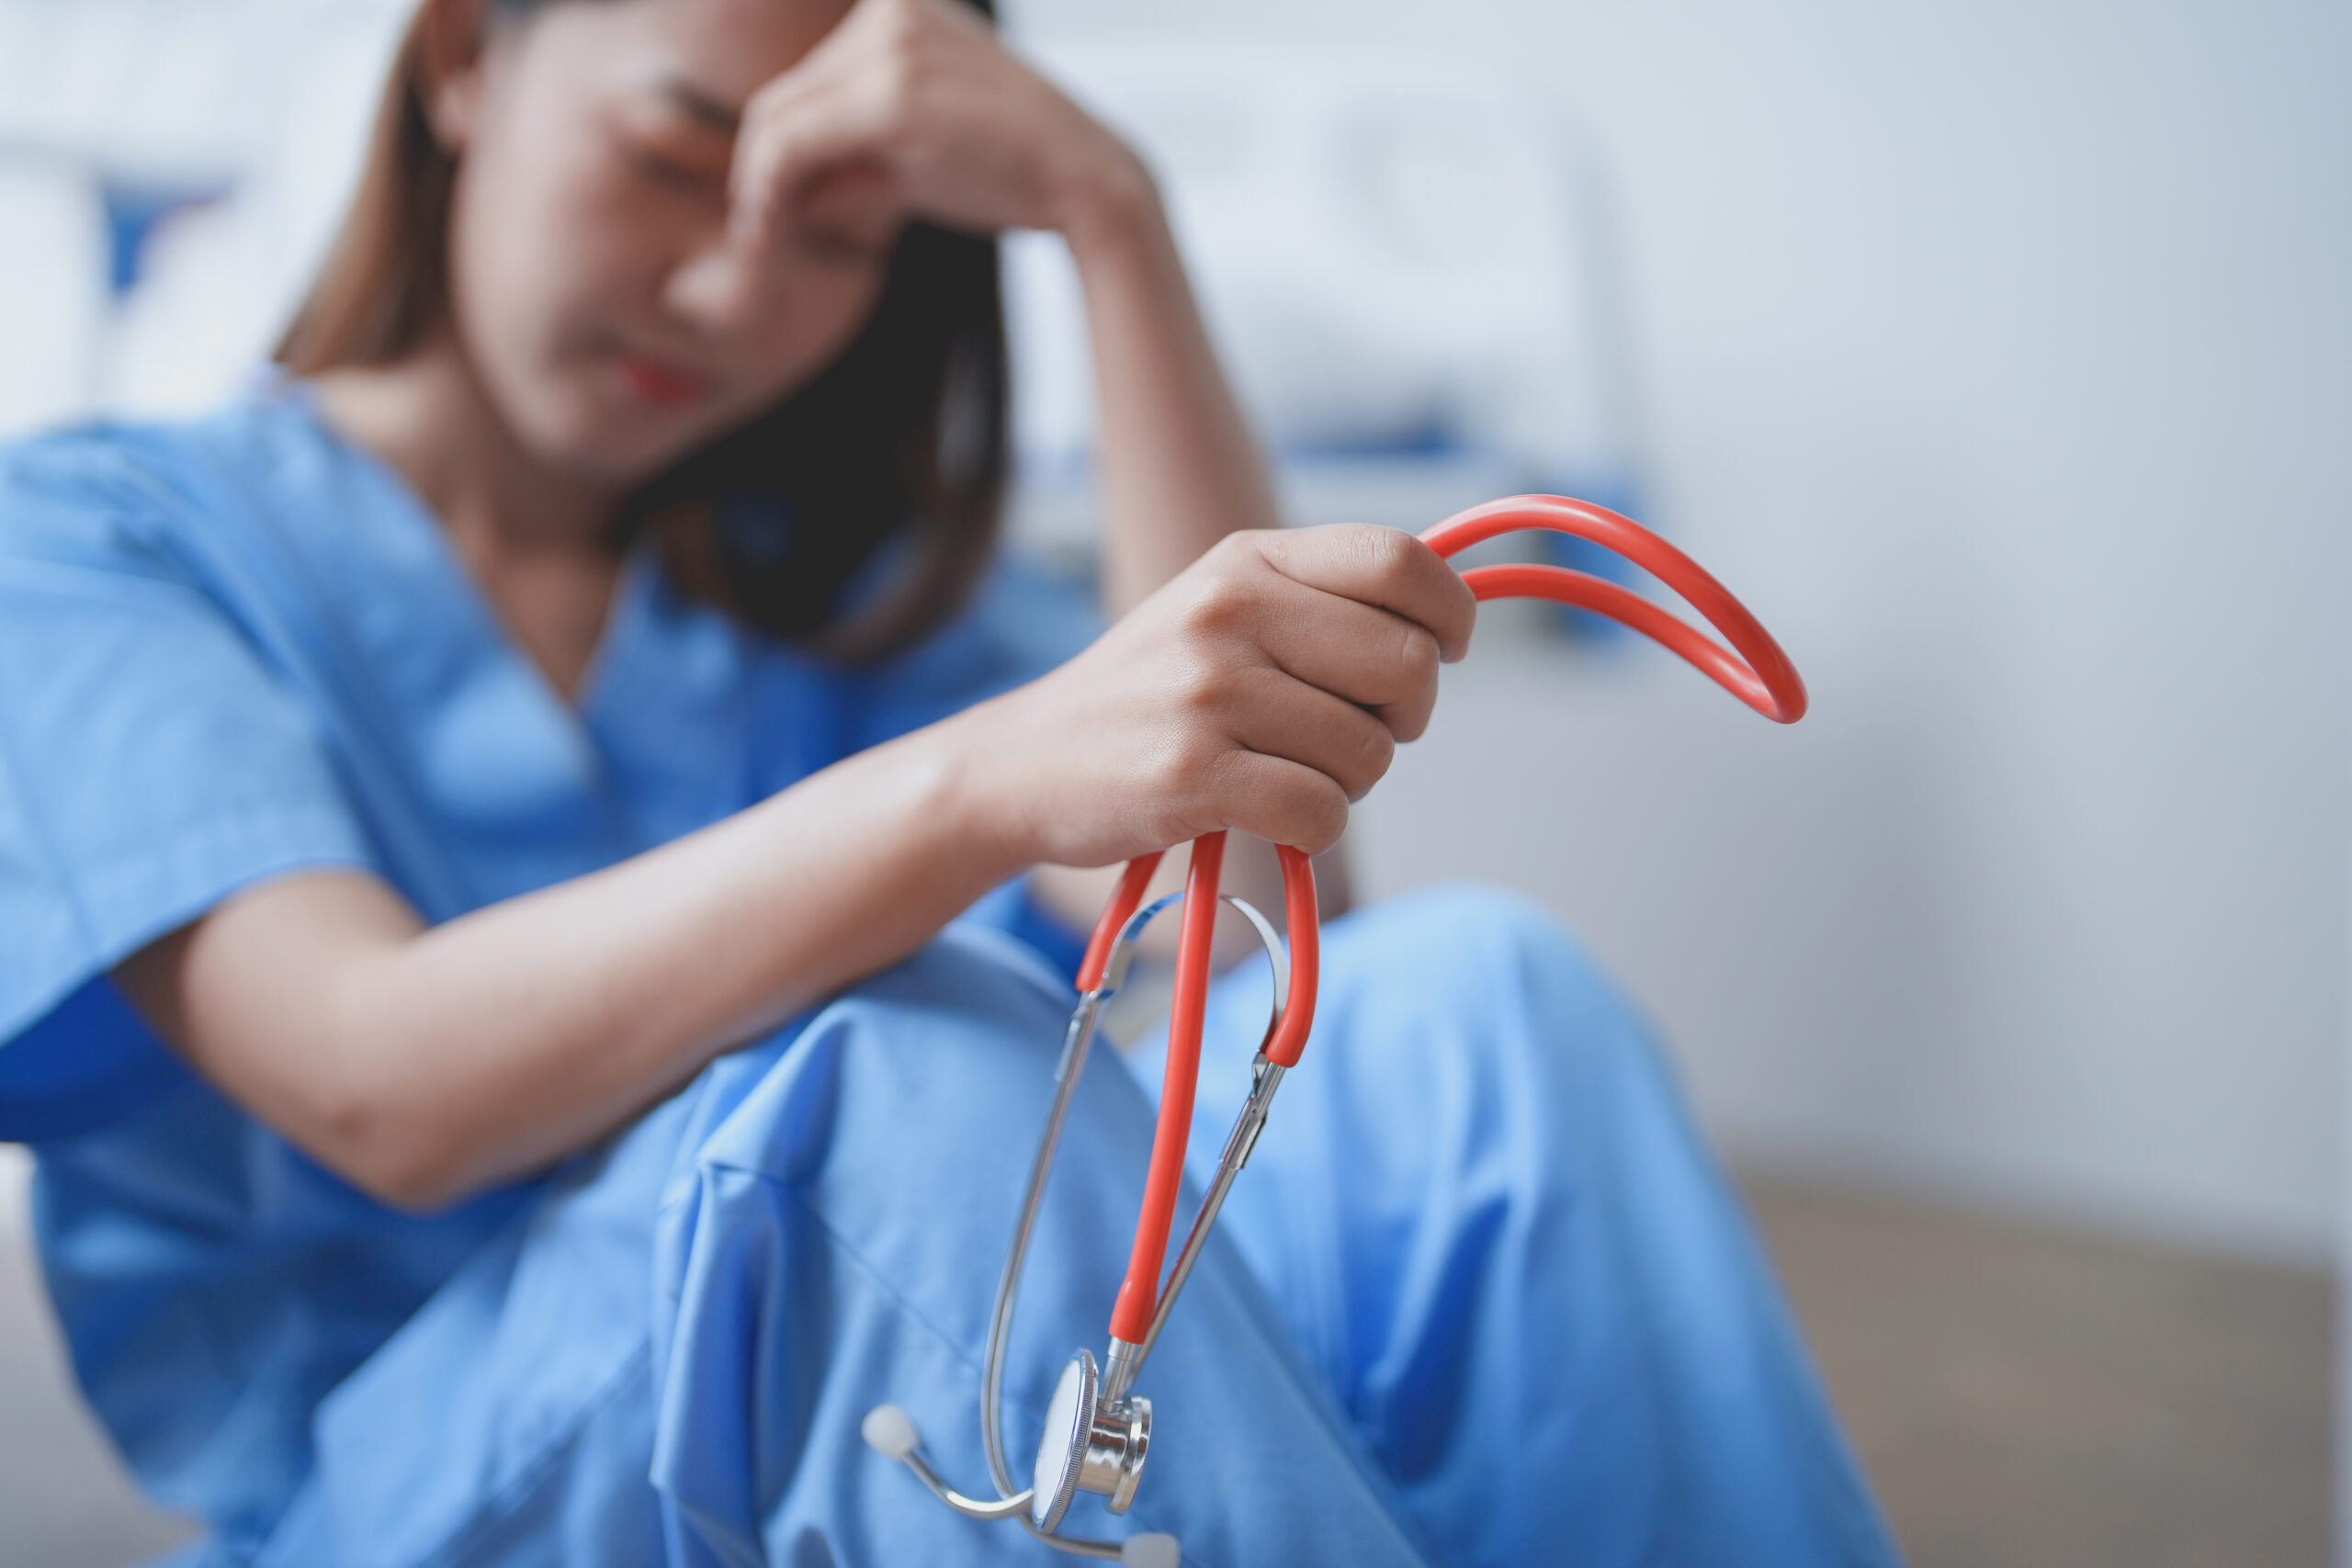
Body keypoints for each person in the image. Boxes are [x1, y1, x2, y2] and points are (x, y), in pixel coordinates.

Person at [0, 0, 1899, 1562]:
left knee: (1472, 1010)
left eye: (833, 231)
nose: (732, 289)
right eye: (674, 155)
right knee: (877, 1094)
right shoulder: (93, 548)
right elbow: (374, 1078)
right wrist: (981, 782)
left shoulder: (824, 596)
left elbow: (1231, 934)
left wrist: (1107, 213)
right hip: (406, 1492)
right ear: (462, 62)